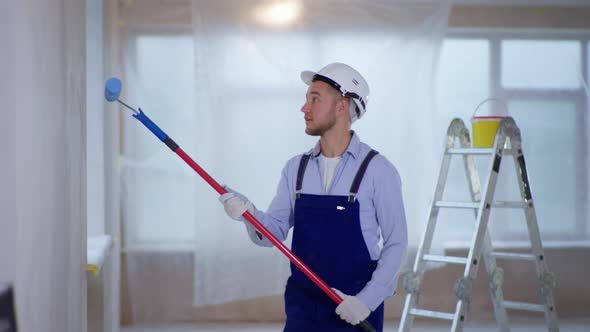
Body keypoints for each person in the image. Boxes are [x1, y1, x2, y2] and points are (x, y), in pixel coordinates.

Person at [219, 63, 407, 332]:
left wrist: (367, 301)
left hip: (352, 309)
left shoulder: (378, 170)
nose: (304, 108)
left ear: (342, 106)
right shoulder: (296, 168)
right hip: (303, 310)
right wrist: (248, 213)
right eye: (307, 99)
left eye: (314, 99)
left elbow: (397, 243)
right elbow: (273, 232)